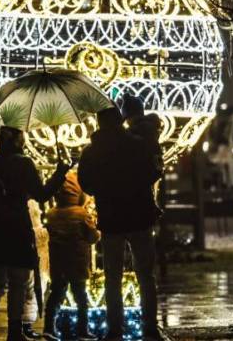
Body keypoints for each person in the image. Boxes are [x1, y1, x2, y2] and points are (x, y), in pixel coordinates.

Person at [0, 126, 69, 341]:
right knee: (18, 281)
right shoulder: (23, 164)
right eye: (22, 136)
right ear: (17, 139)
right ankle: (14, 331)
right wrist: (59, 173)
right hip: (16, 230)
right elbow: (41, 194)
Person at [78, 108, 163, 341]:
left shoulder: (92, 151)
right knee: (146, 275)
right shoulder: (138, 145)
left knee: (112, 277)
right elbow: (154, 172)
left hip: (111, 219)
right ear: (120, 121)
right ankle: (150, 328)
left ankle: (115, 329)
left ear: (99, 123)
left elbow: (85, 183)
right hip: (139, 216)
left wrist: (104, 191)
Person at [42, 171, 100, 341]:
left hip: (58, 263)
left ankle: (48, 327)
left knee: (56, 295)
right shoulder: (82, 214)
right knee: (81, 297)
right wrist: (97, 232)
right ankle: (82, 331)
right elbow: (92, 237)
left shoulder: (52, 214)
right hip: (77, 262)